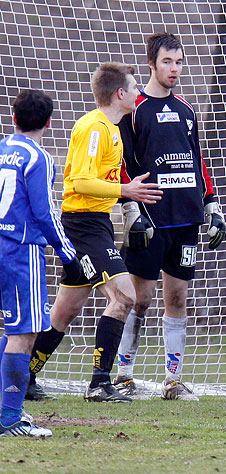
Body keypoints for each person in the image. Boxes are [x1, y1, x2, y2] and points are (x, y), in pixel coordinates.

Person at [26, 62, 163, 403]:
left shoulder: (113, 129)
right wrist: (126, 193)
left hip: (95, 223)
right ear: (120, 94)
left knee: (65, 310)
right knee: (125, 296)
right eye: (134, 88)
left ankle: (22, 376)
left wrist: (129, 203)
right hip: (83, 226)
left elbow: (107, 181)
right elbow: (82, 182)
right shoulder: (95, 129)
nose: (138, 93)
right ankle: (100, 383)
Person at [114, 32, 225, 401]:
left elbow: (198, 161)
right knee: (138, 298)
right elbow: (124, 164)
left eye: (179, 62)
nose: (174, 69)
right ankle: (123, 375)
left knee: (177, 298)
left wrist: (211, 203)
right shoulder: (134, 108)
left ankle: (173, 380)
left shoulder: (187, 110)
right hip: (148, 219)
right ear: (151, 63)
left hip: (185, 218)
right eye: (167, 62)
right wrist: (131, 209)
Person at [0, 90, 82, 436]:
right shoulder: (39, 158)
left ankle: (6, 411)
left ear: (14, 117)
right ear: (48, 122)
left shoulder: (3, 149)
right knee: (24, 333)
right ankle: (10, 418)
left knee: (9, 331)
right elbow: (44, 214)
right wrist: (68, 254)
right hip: (20, 252)